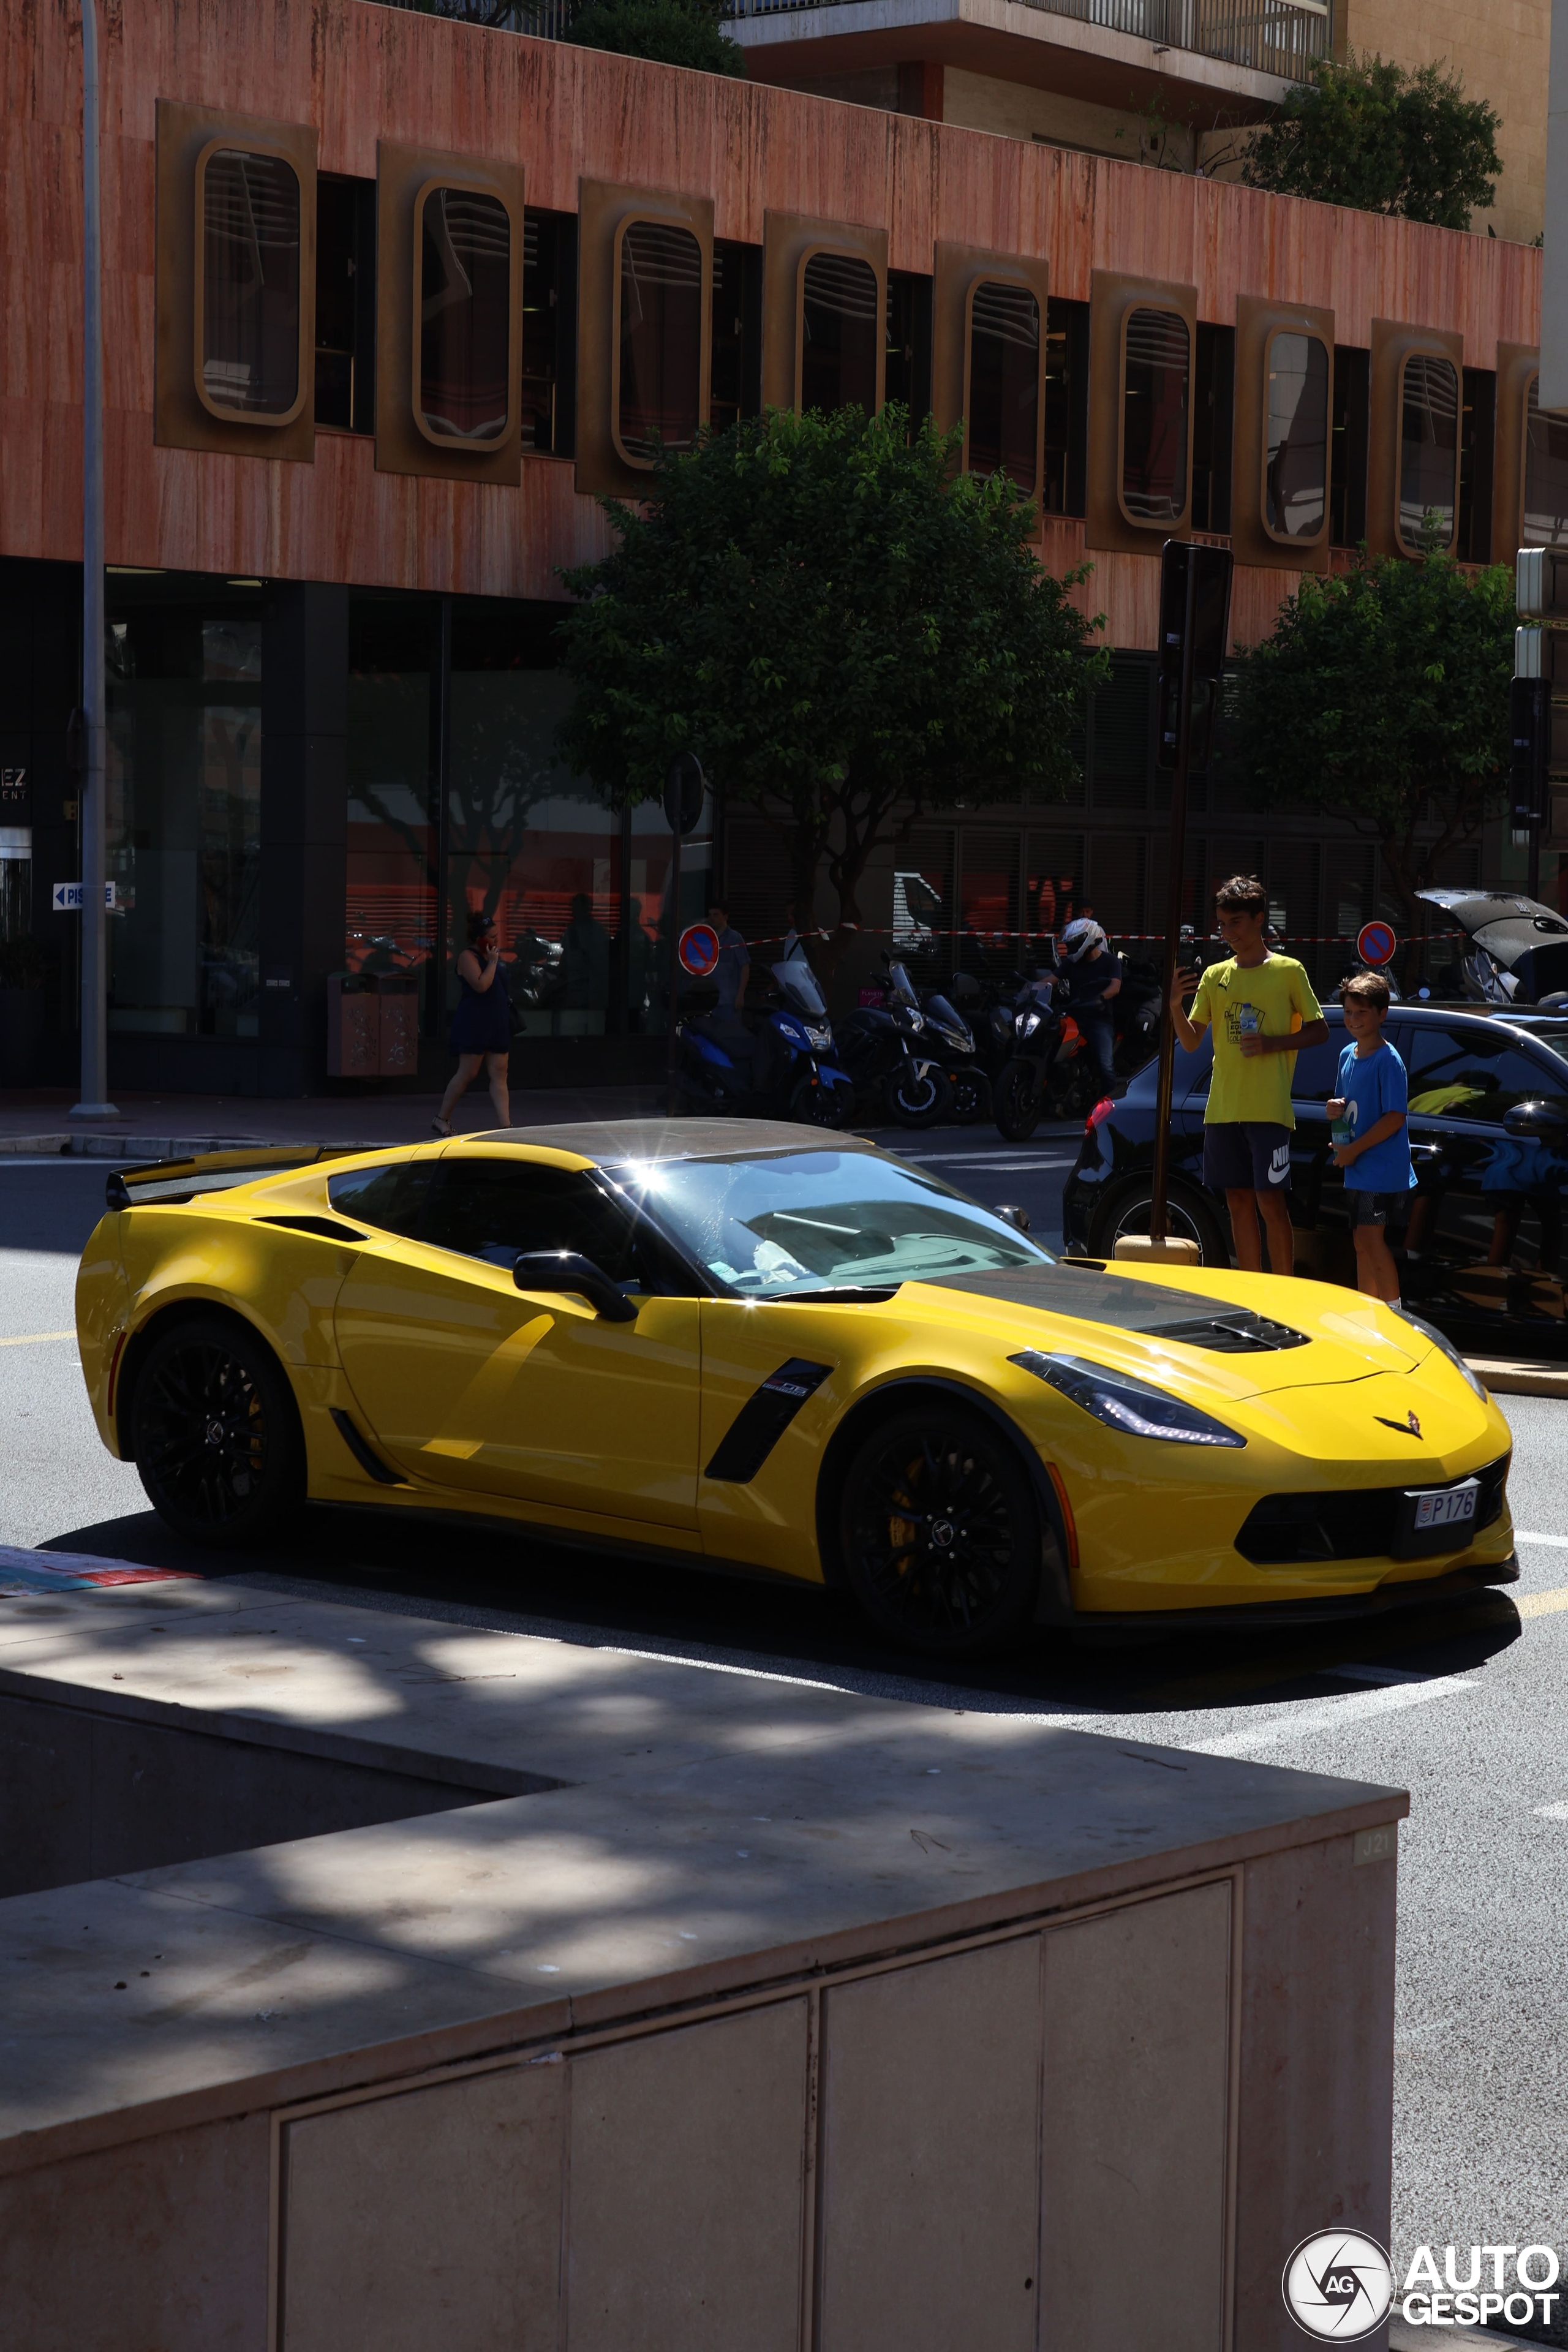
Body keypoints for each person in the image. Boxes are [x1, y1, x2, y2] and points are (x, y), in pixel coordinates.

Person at [1169, 873, 1329, 1276]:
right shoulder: (1214, 975)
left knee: (1270, 1202)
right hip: (1222, 1109)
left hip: (1269, 1109)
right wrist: (1173, 1005)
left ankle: (1285, 1290)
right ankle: (1253, 1287)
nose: (1227, 932)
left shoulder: (1289, 970)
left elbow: (1320, 1029)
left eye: (1235, 922)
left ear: (1259, 919)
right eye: (1222, 924)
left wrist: (1272, 1043)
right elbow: (1191, 1042)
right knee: (1237, 1201)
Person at [1324, 971, 1415, 1305]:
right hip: (1357, 1165)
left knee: (1370, 1239)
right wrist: (1333, 1110)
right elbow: (1344, 1106)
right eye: (1348, 1012)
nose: (1353, 1019)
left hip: (1381, 1168)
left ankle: (1394, 1314)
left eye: (1362, 1012)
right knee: (1360, 1241)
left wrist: (1354, 1150)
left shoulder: (1389, 1060)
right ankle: (1369, 1312)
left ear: (1382, 1014)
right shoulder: (1347, 1055)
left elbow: (1395, 1117)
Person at [432, 910, 510, 1135]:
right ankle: (442, 1118)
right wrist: (493, 962)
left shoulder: (491, 956)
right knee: (468, 1073)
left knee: (500, 1072)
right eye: (493, 937)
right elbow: (481, 985)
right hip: (475, 1022)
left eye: (498, 935)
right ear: (480, 940)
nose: (497, 941)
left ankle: (506, 1125)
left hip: (497, 1021)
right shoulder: (468, 957)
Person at [1058, 916, 1121, 1093]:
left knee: (1105, 1066)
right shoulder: (1071, 963)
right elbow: (1051, 979)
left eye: (1074, 943)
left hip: (1099, 1021)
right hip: (1073, 1017)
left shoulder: (1110, 962)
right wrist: (1031, 986)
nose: (1070, 949)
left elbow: (1115, 986)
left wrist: (1101, 998)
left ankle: (1111, 1108)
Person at [709, 900, 750, 1016]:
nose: (712, 918)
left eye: (716, 914)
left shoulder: (735, 938)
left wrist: (741, 994)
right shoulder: (708, 938)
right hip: (711, 1000)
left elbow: (745, 966)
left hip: (729, 1001)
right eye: (710, 915)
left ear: (725, 916)